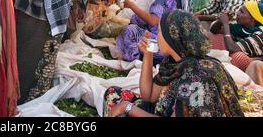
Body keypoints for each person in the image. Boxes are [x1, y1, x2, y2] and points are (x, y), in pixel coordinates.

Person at [105, 10, 244, 117]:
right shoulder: (175, 63)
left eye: (160, 31)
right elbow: (149, 96)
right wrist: (148, 55)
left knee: (122, 108)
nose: (156, 36)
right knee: (112, 93)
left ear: (173, 36)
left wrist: (127, 108)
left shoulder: (195, 78)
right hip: (162, 110)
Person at [116, 0, 190, 65]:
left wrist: (131, 6)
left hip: (163, 48)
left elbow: (153, 20)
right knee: (138, 20)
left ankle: (134, 61)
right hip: (180, 48)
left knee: (130, 31)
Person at [208, 1, 263, 85]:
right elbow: (214, 30)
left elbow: (232, 48)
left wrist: (226, 23)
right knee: (216, 36)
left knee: (238, 56)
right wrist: (221, 21)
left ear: (252, 18)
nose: (237, 13)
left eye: (241, 12)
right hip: (245, 60)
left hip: (255, 66)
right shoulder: (241, 28)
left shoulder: (259, 34)